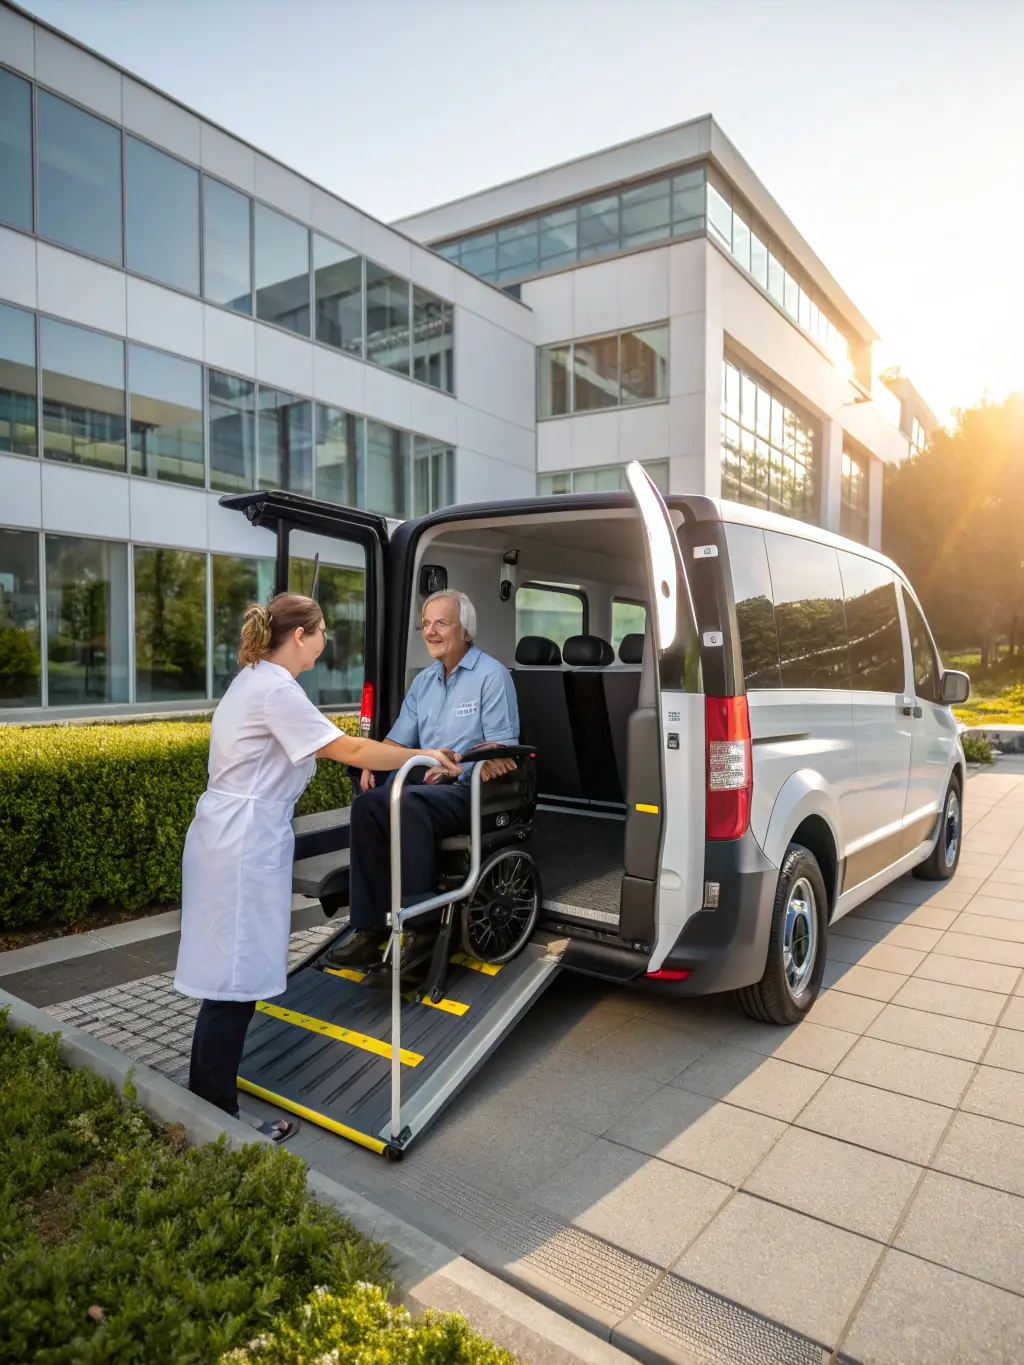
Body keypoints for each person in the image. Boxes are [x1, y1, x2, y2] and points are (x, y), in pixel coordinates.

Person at [173, 592, 460, 1141]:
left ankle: (208, 1102)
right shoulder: (274, 690)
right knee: (233, 985)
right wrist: (423, 756)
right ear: (302, 636)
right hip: (241, 845)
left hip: (231, 837)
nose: (326, 641)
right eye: (323, 630)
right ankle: (219, 1118)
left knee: (229, 982)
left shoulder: (258, 681)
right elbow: (348, 750)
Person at [324, 589, 519, 976]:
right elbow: (398, 740)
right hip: (423, 788)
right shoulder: (423, 682)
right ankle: (370, 927)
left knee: (406, 803)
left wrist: (458, 768)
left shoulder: (491, 676)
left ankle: (422, 930)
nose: (430, 631)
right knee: (368, 804)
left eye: (440, 623)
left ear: (465, 629)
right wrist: (373, 762)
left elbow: (502, 749)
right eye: (426, 624)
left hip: (469, 791)